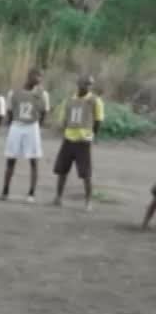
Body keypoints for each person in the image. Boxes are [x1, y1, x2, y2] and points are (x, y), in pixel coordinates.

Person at [53, 74, 104, 212]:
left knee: (86, 173)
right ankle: (58, 197)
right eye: (85, 83)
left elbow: (98, 120)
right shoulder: (69, 100)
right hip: (69, 138)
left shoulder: (94, 101)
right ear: (78, 84)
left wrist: (92, 135)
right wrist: (64, 131)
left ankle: (88, 201)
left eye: (89, 84)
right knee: (62, 170)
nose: (87, 86)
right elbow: (63, 118)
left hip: (83, 140)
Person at [2, 68, 50, 202]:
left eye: (41, 77)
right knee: (11, 159)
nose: (39, 80)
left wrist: (37, 125)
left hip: (32, 126)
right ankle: (5, 190)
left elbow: (45, 112)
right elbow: (10, 111)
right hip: (17, 125)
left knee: (34, 160)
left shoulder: (43, 94)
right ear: (30, 76)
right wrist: (13, 123)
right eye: (37, 76)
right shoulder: (14, 93)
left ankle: (31, 193)